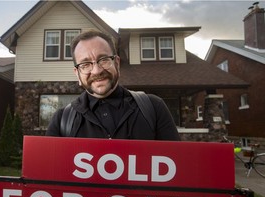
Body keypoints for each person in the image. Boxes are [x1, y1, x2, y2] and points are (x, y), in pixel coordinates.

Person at [46, 30, 180, 141]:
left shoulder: (154, 108)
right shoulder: (62, 120)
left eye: (103, 60)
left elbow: (176, 166)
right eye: (85, 64)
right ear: (77, 74)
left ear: (116, 63)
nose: (97, 71)